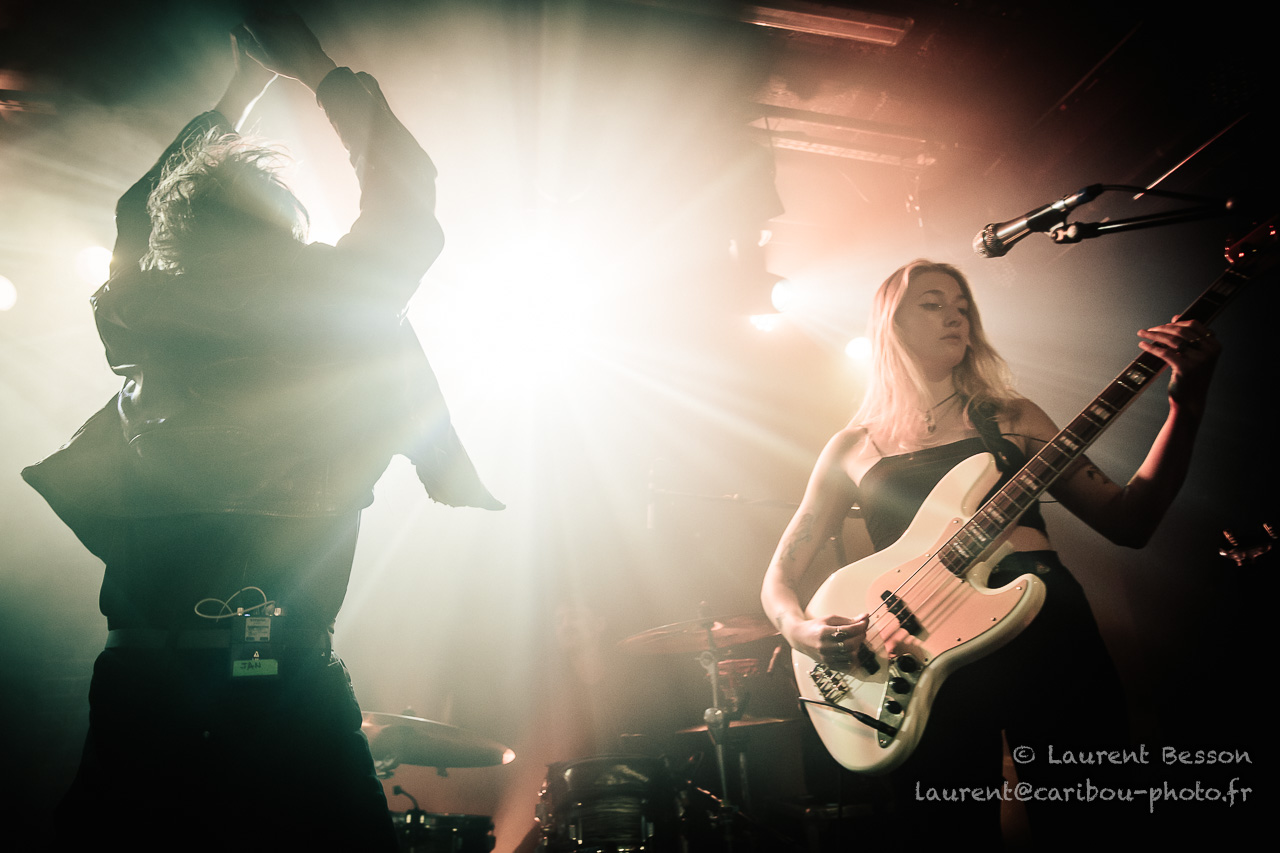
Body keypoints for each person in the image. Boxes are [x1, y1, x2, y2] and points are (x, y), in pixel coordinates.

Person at [22, 14, 500, 851]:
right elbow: (406, 191)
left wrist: (239, 93)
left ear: (181, 232)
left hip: (149, 683)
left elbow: (134, 211)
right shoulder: (338, 305)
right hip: (287, 680)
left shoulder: (141, 312)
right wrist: (313, 70)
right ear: (288, 226)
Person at [760, 259, 1218, 847]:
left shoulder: (1011, 417)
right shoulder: (853, 446)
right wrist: (799, 630)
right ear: (890, 323)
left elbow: (1129, 520)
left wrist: (1186, 405)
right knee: (946, 827)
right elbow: (782, 572)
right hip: (915, 646)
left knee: (1089, 816)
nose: (956, 316)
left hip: (1044, 619)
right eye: (933, 304)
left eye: (962, 307)